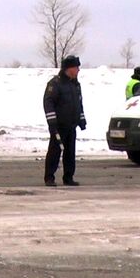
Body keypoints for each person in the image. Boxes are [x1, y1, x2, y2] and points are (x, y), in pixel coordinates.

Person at [43, 55, 86, 187]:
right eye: (76, 67)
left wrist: (81, 119)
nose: (78, 70)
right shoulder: (55, 83)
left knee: (70, 153)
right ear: (69, 69)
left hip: (71, 124)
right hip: (59, 125)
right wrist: (52, 122)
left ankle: (68, 177)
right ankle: (49, 177)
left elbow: (79, 103)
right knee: (55, 152)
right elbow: (48, 102)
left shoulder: (75, 84)